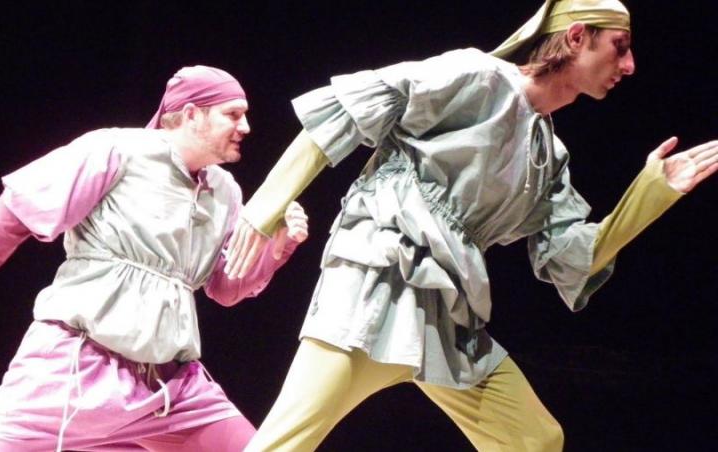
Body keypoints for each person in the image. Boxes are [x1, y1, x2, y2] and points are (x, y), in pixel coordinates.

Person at [224, 1, 718, 450]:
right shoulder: (478, 75)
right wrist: (262, 210)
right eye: (619, 47)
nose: (629, 66)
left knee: (533, 440)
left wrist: (651, 194)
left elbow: (574, 258)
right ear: (576, 37)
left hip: (448, 310)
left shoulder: (548, 155)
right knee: (285, 442)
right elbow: (350, 109)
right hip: (379, 277)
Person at [0, 65, 309, 452]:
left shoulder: (225, 191)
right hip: (76, 369)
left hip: (171, 388)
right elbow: (15, 212)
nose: (245, 127)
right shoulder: (117, 151)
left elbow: (224, 287)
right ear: (191, 114)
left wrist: (276, 247)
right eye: (233, 114)